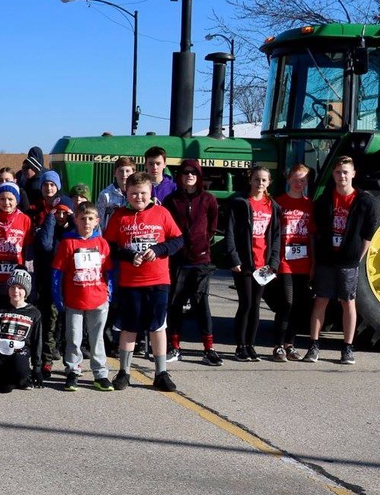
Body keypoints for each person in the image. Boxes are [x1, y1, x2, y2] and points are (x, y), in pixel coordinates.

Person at [103, 172, 184, 392]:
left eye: (143, 193)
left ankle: (161, 373)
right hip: (130, 283)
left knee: (158, 326)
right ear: (126, 193)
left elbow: (178, 240)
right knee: (129, 327)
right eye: (134, 193)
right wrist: (129, 255)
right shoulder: (119, 216)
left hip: (158, 281)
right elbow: (109, 247)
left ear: (151, 193)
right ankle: (124, 372)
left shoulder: (162, 213)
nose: (139, 197)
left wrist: (158, 249)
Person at [306, 155, 378, 364]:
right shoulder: (324, 200)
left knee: (348, 302)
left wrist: (355, 258)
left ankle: (347, 348)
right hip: (326, 259)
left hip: (348, 261)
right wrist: (315, 262)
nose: (342, 176)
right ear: (333, 174)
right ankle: (313, 346)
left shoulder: (365, 201)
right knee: (321, 300)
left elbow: (367, 235)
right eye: (338, 172)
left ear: (353, 173)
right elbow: (315, 232)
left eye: (345, 172)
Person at [163, 159, 223, 366]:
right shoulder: (172, 200)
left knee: (201, 304)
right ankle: (174, 347)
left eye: (193, 172)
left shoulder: (208, 199)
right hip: (178, 260)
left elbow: (212, 226)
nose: (189, 176)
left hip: (200, 260)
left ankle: (209, 349)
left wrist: (202, 242)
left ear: (199, 176)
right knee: (175, 304)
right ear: (179, 176)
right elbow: (167, 227)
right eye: (185, 172)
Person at [223, 165, 283, 362]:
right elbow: (230, 233)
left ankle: (250, 345)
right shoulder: (240, 203)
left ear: (269, 183)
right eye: (256, 179)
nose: (260, 183)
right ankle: (240, 346)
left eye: (264, 180)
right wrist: (233, 258)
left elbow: (276, 237)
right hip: (244, 263)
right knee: (246, 303)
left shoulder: (273, 206)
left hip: (263, 265)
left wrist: (273, 262)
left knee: (256, 304)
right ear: (250, 180)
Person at [52, 202, 114, 391]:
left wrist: (110, 294)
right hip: (74, 300)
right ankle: (72, 370)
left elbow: (109, 272)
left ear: (97, 221)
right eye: (82, 218)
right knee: (73, 338)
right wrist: (58, 296)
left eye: (90, 218)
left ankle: (100, 373)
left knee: (97, 338)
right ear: (76, 220)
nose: (86, 222)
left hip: (98, 299)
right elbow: (57, 273)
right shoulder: (68, 243)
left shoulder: (102, 244)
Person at [30, 170, 74, 375]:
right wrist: (50, 217)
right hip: (49, 281)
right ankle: (45, 360)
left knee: (69, 326)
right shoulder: (48, 227)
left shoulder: (73, 231)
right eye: (58, 212)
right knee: (49, 322)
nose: (61, 216)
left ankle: (71, 363)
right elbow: (46, 245)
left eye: (64, 213)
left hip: (71, 283)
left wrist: (69, 218)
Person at [273, 164, 314, 361]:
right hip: (284, 261)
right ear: (288, 179)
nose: (299, 183)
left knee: (298, 305)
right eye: (296, 179)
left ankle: (290, 344)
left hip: (304, 262)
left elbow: (313, 235)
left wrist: (314, 263)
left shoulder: (310, 205)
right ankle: (278, 345)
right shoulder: (278, 203)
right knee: (287, 302)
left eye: (303, 179)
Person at [0, 268, 43, 392]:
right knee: (4, 388)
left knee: (18, 363)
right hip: (0, 354)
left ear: (26, 291)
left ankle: (23, 378)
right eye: (13, 287)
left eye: (20, 288)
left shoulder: (34, 313)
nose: (16, 291)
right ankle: (4, 378)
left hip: (20, 355)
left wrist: (37, 367)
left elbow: (37, 341)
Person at [0, 181, 34, 315]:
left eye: (10, 199)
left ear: (17, 201)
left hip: (17, 279)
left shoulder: (25, 220)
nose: (6, 202)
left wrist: (30, 275)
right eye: (2, 199)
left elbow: (28, 251)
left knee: (15, 314)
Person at [97, 157, 137, 230]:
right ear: (114, 173)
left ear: (133, 173)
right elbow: (99, 222)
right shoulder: (105, 195)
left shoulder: (138, 193)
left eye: (127, 171)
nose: (124, 174)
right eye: (120, 171)